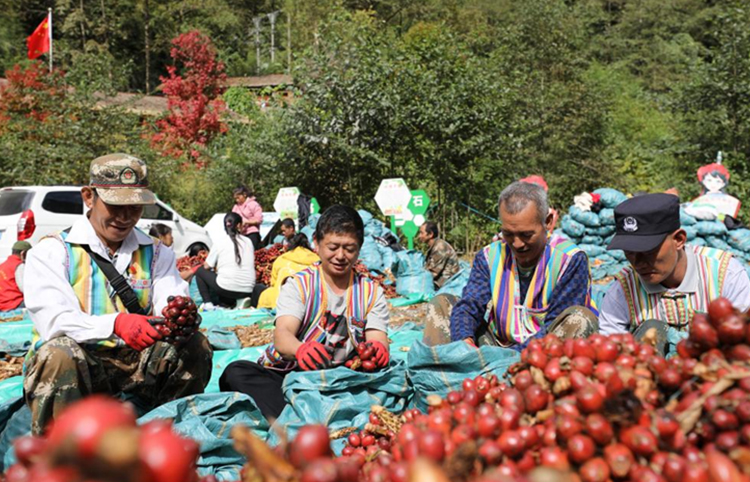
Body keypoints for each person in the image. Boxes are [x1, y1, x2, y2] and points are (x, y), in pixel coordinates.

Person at [23, 153, 213, 435]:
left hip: (136, 366)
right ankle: (61, 455)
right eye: (115, 205)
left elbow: (169, 296)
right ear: (89, 197)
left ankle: (169, 436)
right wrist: (117, 324)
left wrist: (176, 315)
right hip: (84, 365)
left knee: (194, 344)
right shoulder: (52, 252)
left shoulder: (157, 251)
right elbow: (54, 320)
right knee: (58, 353)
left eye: (135, 207)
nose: (125, 217)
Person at [219, 205, 390, 420]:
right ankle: (308, 415)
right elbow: (283, 335)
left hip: (344, 381)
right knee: (236, 372)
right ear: (316, 244)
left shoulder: (370, 292)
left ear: (360, 247)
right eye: (333, 247)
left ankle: (298, 417)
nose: (340, 256)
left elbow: (377, 337)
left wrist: (378, 349)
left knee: (390, 382)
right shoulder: (300, 285)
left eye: (349, 248)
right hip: (293, 375)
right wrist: (300, 350)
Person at [424, 181, 597, 348]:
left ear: (548, 222)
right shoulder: (488, 256)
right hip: (498, 345)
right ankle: (454, 366)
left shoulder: (570, 260)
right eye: (508, 234)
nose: (517, 244)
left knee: (578, 319)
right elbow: (471, 304)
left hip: (543, 350)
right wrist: (465, 340)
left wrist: (508, 360)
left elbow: (555, 326)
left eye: (526, 235)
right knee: (442, 304)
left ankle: (484, 368)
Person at [599, 193, 750, 349]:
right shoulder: (622, 290)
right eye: (629, 252)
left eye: (648, 250)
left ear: (679, 240)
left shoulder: (726, 274)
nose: (638, 263)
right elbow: (609, 349)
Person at [194, 213, 258, 310]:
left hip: (226, 288)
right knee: (226, 277)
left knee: (200, 271)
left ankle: (208, 304)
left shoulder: (220, 242)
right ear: (239, 225)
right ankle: (240, 301)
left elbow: (207, 266)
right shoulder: (248, 241)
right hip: (248, 290)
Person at [257, 233, 320, 309]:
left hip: (280, 299)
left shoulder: (282, 258)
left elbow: (273, 283)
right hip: (309, 299)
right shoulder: (316, 259)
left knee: (265, 294)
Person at [417, 222, 460, 290]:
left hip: (446, 283)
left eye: (422, 233)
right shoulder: (434, 246)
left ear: (430, 234)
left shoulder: (440, 247)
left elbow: (432, 273)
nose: (419, 236)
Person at [0, 241, 32, 312]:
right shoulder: (19, 266)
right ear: (23, 253)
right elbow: (24, 288)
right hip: (14, 304)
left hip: (2, 305)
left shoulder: (2, 266)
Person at [232, 186, 263, 250]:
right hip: (240, 234)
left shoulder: (253, 204)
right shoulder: (235, 207)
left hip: (252, 233)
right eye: (235, 198)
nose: (237, 200)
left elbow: (259, 219)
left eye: (238, 197)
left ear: (244, 195)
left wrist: (246, 222)